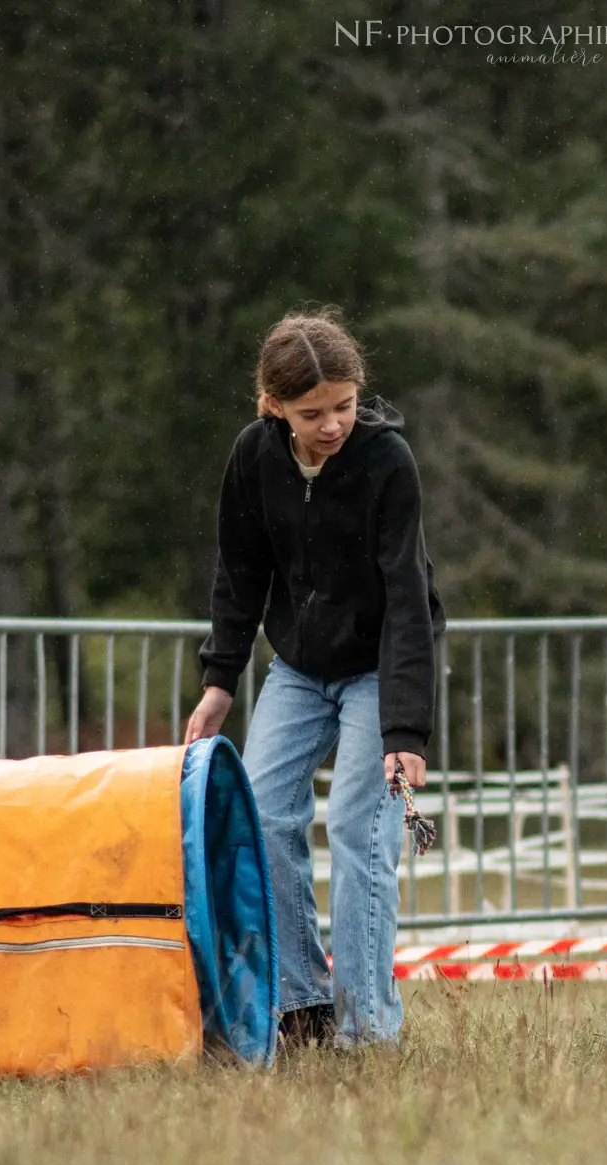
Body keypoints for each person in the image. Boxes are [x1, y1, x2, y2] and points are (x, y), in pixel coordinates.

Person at [184, 308, 445, 1048]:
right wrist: (220, 679)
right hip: (297, 665)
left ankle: (366, 1028)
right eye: (312, 412)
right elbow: (240, 573)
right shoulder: (252, 458)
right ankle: (301, 1007)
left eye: (344, 405)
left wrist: (404, 730)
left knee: (362, 829)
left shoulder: (387, 463)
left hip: (377, 667)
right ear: (272, 406)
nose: (332, 424)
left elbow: (407, 598)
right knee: (262, 816)